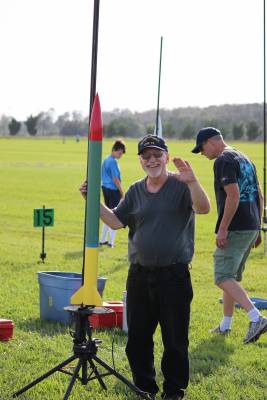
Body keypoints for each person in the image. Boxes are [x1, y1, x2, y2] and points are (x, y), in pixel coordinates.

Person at [81, 134, 210, 400]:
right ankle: (145, 388)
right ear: (140, 161)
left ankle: (174, 391)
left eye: (157, 155)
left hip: (173, 276)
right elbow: (116, 222)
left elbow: (204, 208)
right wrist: (93, 200)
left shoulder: (181, 183)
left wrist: (193, 181)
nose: (152, 160)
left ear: (166, 155)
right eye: (146, 156)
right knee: (137, 339)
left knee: (175, 340)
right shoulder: (136, 190)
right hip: (139, 276)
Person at [192, 127, 267, 344]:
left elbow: (233, 196)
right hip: (250, 224)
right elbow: (259, 193)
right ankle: (225, 325)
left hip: (236, 226)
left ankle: (256, 318)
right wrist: (258, 227)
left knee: (223, 276)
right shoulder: (243, 156)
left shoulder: (223, 160)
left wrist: (223, 228)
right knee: (231, 277)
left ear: (210, 142)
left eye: (202, 149)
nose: (203, 154)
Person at [100, 139, 126, 248]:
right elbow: (116, 179)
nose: (120, 155)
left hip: (105, 188)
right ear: (115, 150)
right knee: (114, 216)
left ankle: (102, 240)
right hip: (113, 190)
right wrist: (122, 193)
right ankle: (111, 242)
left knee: (107, 214)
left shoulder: (106, 159)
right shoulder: (113, 162)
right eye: (120, 153)